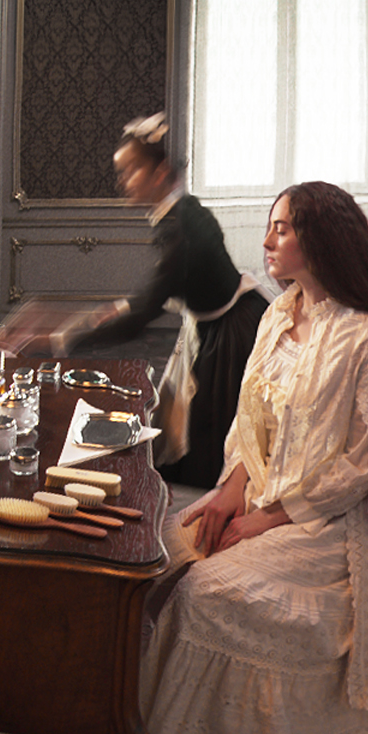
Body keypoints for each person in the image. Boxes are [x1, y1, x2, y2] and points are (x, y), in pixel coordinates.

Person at [142, 181, 368, 734]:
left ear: (320, 240)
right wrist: (230, 492)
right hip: (259, 498)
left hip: (330, 529)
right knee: (157, 554)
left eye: (282, 228)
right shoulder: (275, 316)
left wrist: (266, 519)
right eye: (271, 226)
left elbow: (360, 468)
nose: (266, 241)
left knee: (202, 591)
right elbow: (247, 423)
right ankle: (136, 731)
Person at [41, 113, 271, 490]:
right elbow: (165, 287)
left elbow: (146, 311)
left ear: (160, 173)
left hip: (230, 333)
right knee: (190, 425)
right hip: (214, 322)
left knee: (212, 433)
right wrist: (119, 309)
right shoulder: (184, 209)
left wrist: (67, 339)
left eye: (131, 170)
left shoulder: (179, 228)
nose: (123, 182)